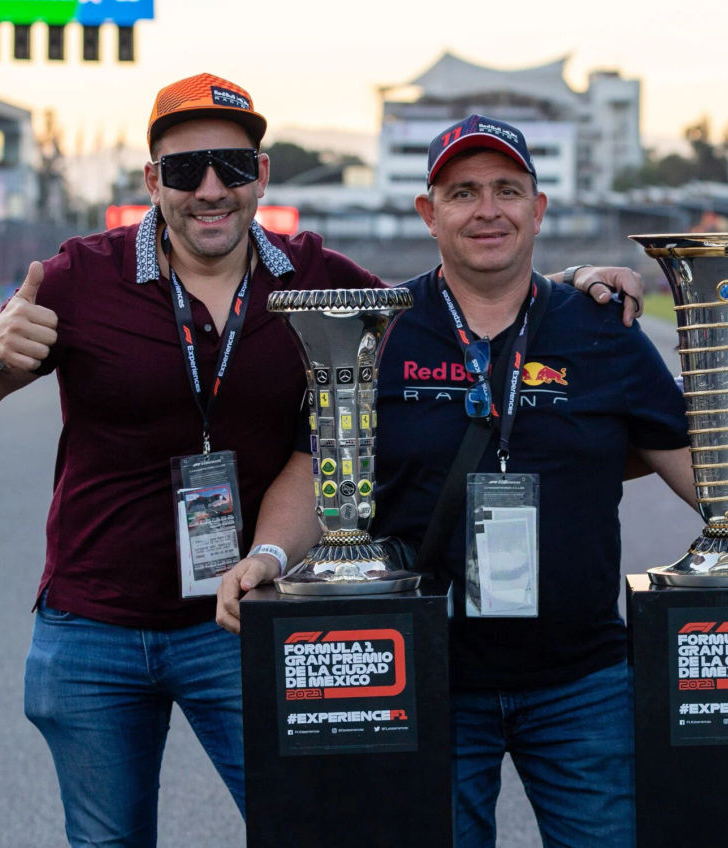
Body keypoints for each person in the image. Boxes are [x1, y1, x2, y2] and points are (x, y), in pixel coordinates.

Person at [0, 72, 635, 848]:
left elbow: (451, 307)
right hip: (93, 625)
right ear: (152, 181)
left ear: (261, 174)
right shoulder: (80, 276)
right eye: (185, 169)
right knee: (107, 841)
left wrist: (567, 286)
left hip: (241, 616)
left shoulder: (317, 277)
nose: (210, 189)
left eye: (231, 167)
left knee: (306, 827)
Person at [217, 114, 695, 847]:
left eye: (507, 189)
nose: (487, 210)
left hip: (583, 681)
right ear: (428, 212)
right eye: (463, 192)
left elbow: (692, 458)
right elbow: (318, 464)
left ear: (538, 209)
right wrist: (269, 556)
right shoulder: (379, 328)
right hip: (426, 675)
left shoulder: (604, 327)